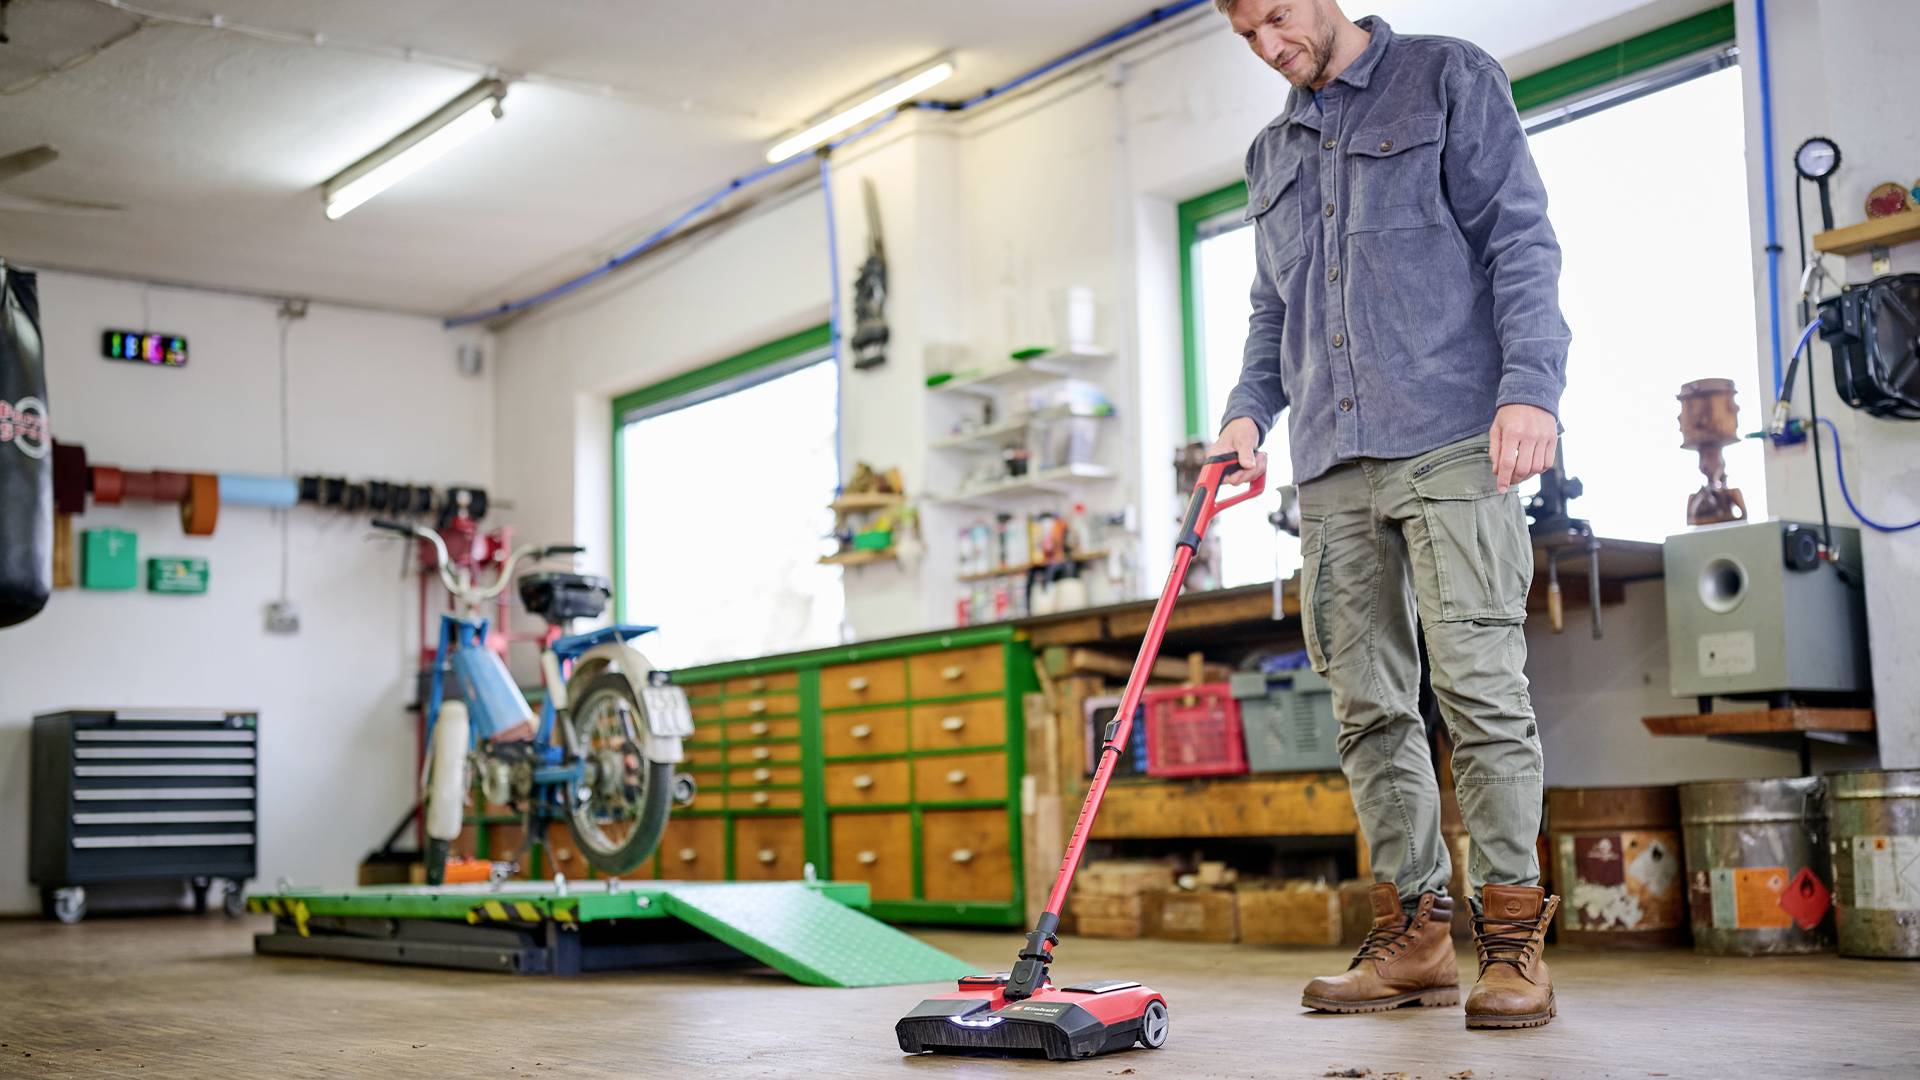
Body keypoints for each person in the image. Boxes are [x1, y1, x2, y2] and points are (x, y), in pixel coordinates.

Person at [1208, 0, 1568, 1030]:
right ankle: (1414, 935)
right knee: (1368, 710)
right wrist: (1246, 415)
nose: (1270, 47)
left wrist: (1531, 386)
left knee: (1480, 693)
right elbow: (1272, 307)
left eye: (1276, 17)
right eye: (1247, 37)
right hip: (1328, 460)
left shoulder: (1448, 77)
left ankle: (1511, 943)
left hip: (1455, 433)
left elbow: (1520, 238)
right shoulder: (1269, 151)